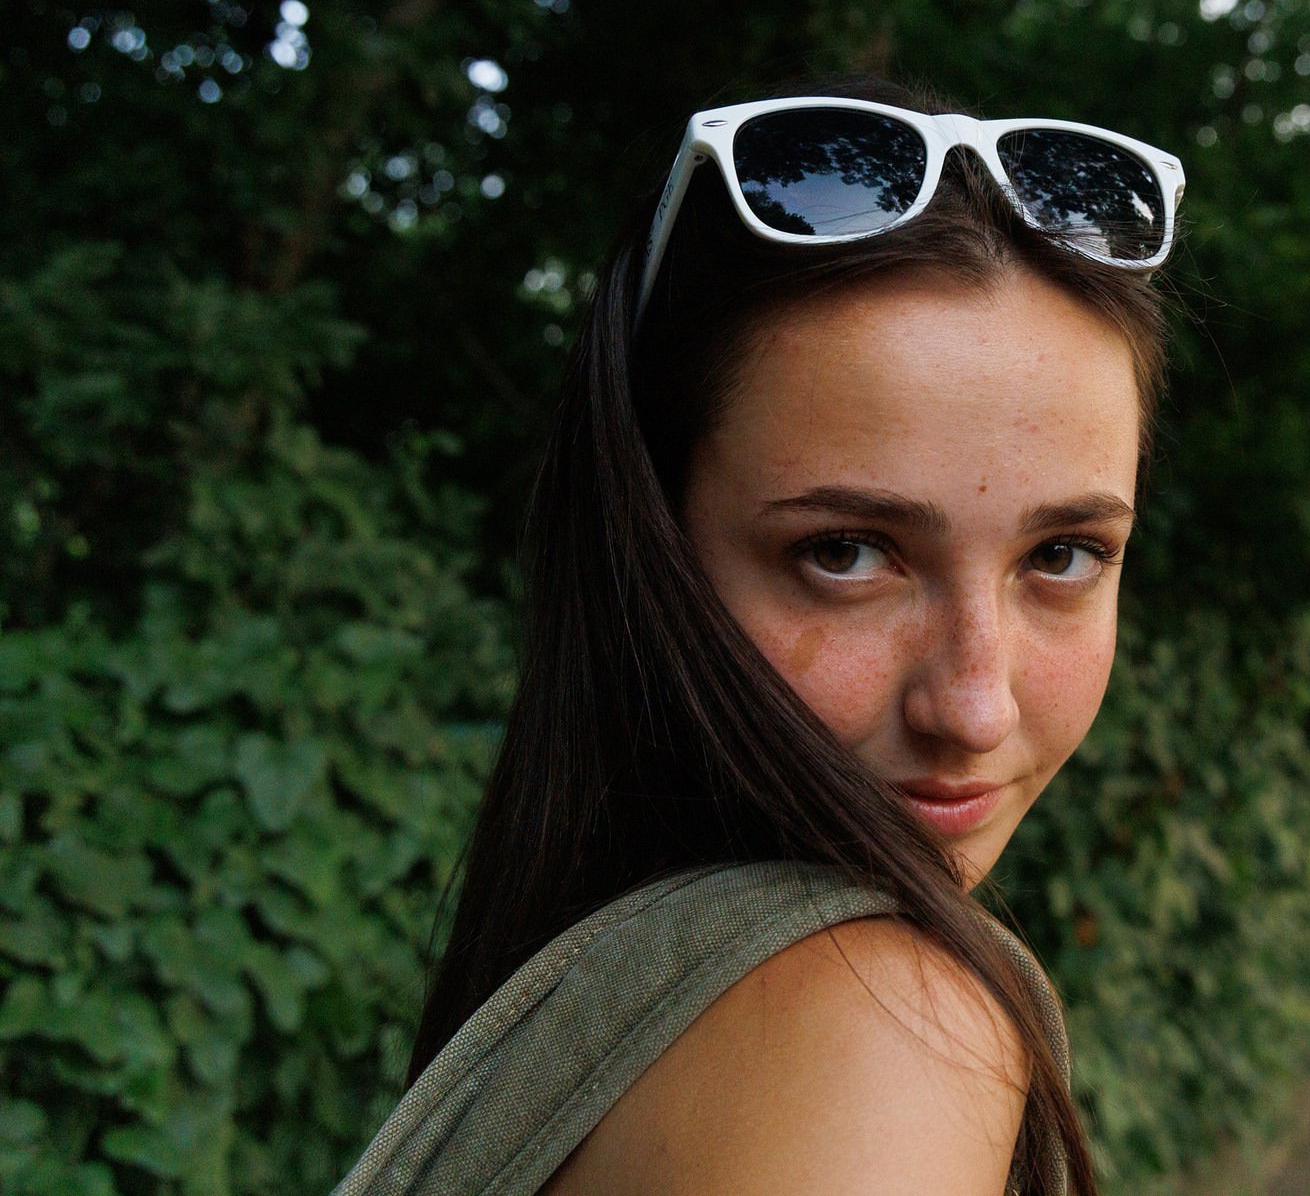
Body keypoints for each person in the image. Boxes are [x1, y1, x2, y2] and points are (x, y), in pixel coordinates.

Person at [331, 74, 1184, 1196]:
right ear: (649, 536)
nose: (975, 706)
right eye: (846, 552)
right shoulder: (875, 1030)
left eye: (1063, 554)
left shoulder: (604, 991)